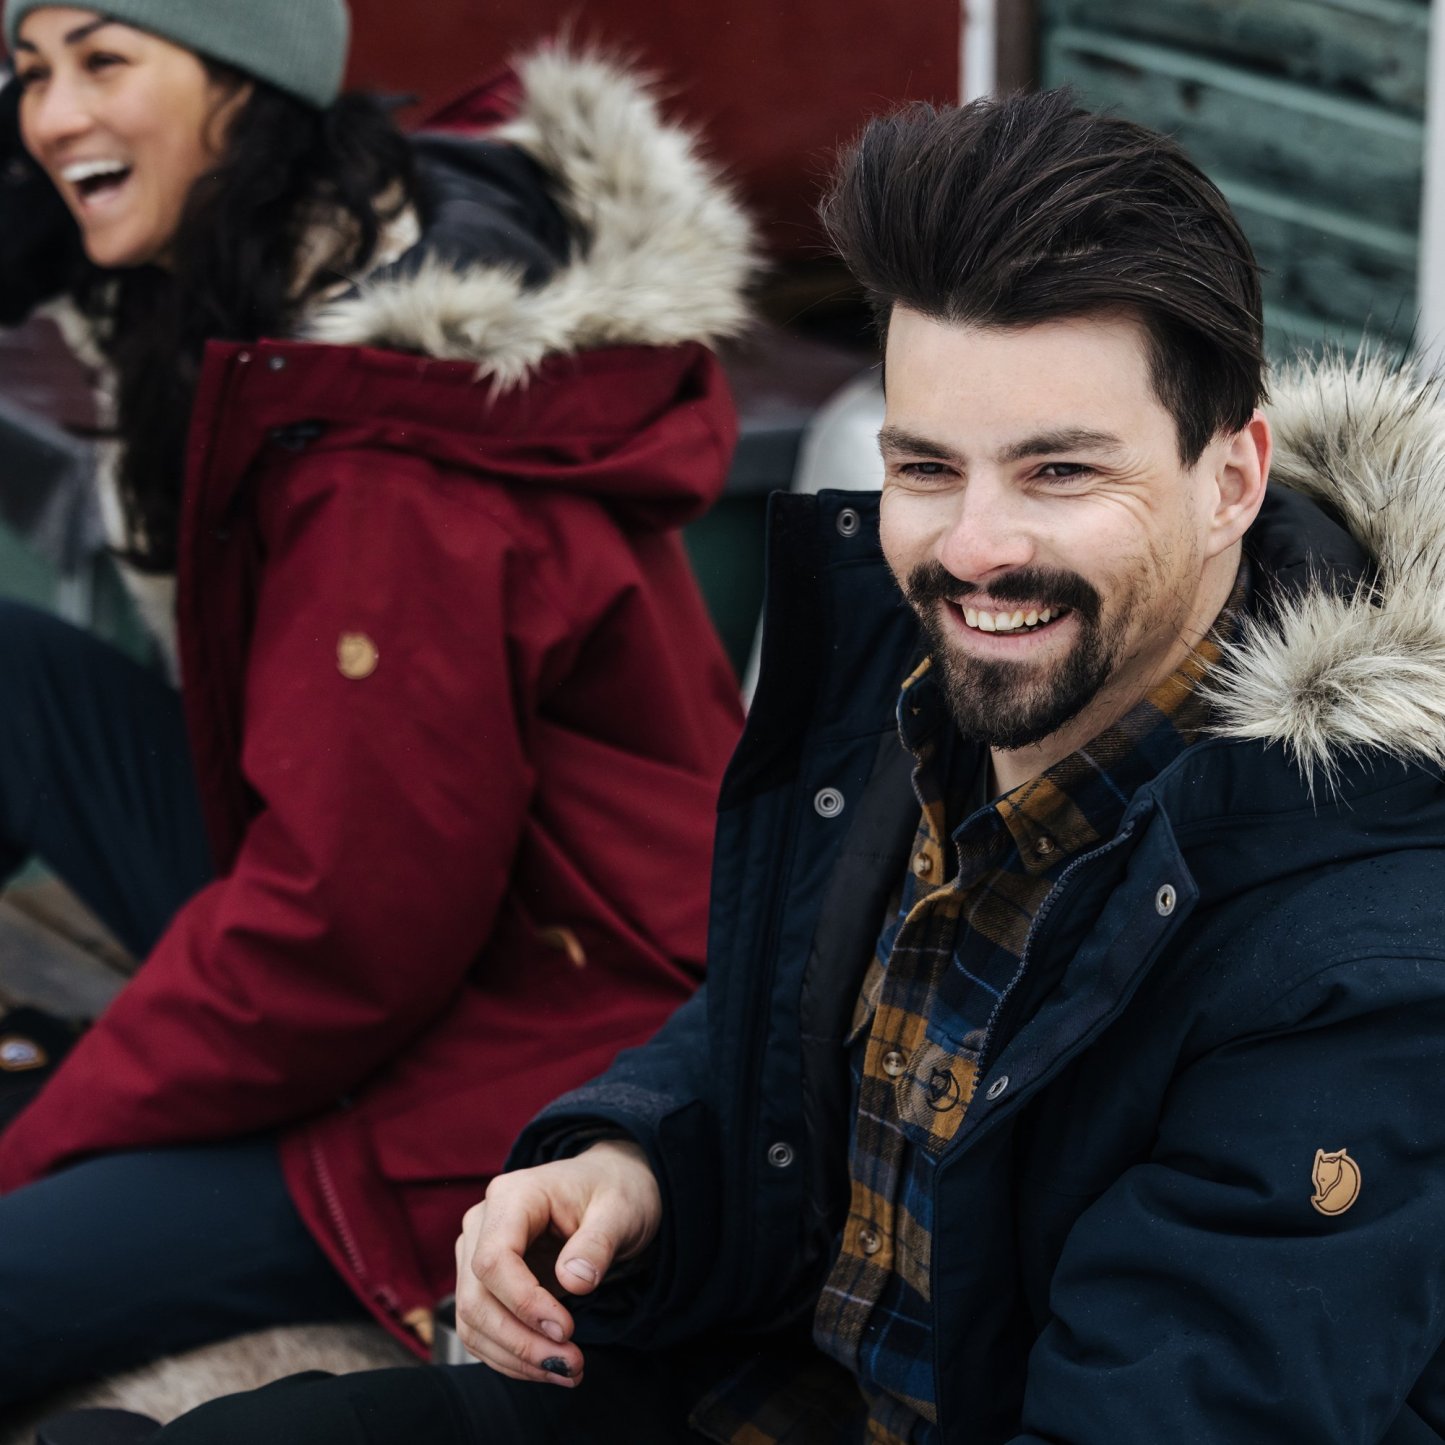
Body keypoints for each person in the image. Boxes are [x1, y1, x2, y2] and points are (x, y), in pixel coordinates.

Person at [146, 90, 1445, 1445]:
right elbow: (792, 1018)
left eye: (1059, 472)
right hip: (738, 1388)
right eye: (925, 466)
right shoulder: (929, 667)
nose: (975, 549)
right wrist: (633, 1158)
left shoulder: (1363, 951)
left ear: (1231, 478)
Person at [0, 0, 753, 1408]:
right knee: (15, 671)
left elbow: (339, 945)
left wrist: (44, 1142)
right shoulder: (343, 236)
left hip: (539, 1034)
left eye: (103, 60)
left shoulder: (385, 463)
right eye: (28, 73)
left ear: (250, 79)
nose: (51, 117)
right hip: (416, 897)